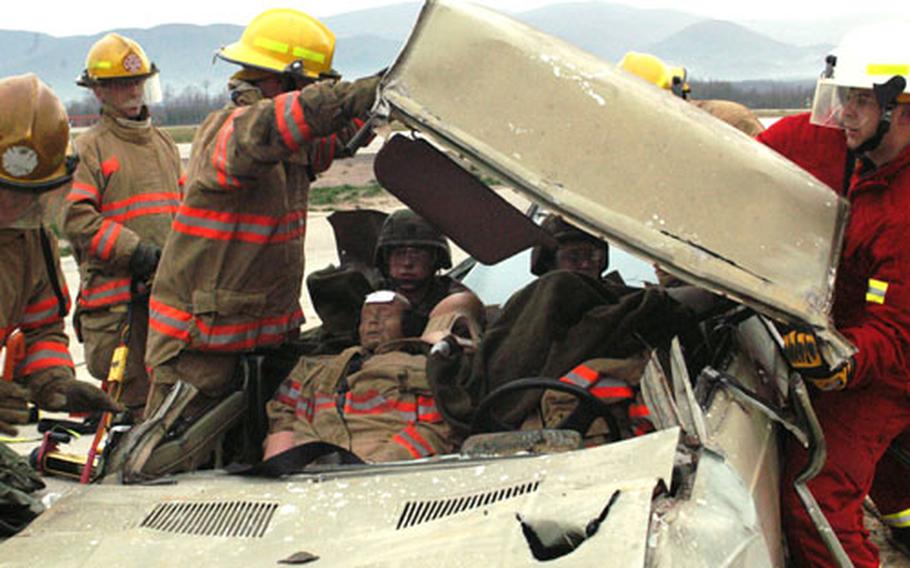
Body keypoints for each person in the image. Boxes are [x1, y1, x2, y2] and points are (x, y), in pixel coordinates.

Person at [117, 8, 382, 477]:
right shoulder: (230, 130)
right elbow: (274, 127)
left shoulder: (290, 145)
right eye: (313, 86)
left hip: (257, 343)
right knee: (164, 477)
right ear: (287, 82)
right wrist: (342, 97)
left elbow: (330, 138)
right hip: (198, 353)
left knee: (245, 472)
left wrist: (379, 102)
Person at [767, 24, 910, 568]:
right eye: (843, 97)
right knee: (891, 474)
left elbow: (896, 336)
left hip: (889, 368)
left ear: (899, 109)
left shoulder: (903, 212)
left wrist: (839, 362)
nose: (844, 114)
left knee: (814, 491)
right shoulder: (848, 150)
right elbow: (744, 165)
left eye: (859, 101)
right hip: (863, 339)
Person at [0, 74, 122, 532]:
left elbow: (40, 326)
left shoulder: (31, 240)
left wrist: (53, 383)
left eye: (27, 195)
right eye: (4, 191)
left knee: (26, 513)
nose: (13, 208)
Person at [63, 33, 183, 418]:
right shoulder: (88, 149)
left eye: (137, 82)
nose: (133, 91)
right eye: (120, 84)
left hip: (165, 297)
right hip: (118, 306)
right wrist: (137, 253)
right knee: (127, 399)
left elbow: (185, 212)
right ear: (99, 92)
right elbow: (76, 218)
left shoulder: (163, 144)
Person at [263, 290, 475, 464]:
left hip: (388, 473)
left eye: (384, 316)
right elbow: (282, 418)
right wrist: (282, 466)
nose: (373, 322)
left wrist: (377, 465)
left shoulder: (426, 367)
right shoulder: (312, 367)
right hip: (309, 474)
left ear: (408, 325)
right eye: (367, 318)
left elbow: (440, 427)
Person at [374, 209, 477, 318]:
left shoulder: (454, 298)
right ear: (386, 258)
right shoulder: (373, 296)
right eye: (399, 254)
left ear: (434, 258)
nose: (407, 263)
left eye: (417, 254)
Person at [530, 214, 609, 279]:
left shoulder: (617, 295)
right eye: (574, 257)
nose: (586, 264)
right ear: (550, 264)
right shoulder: (542, 297)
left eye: (592, 256)